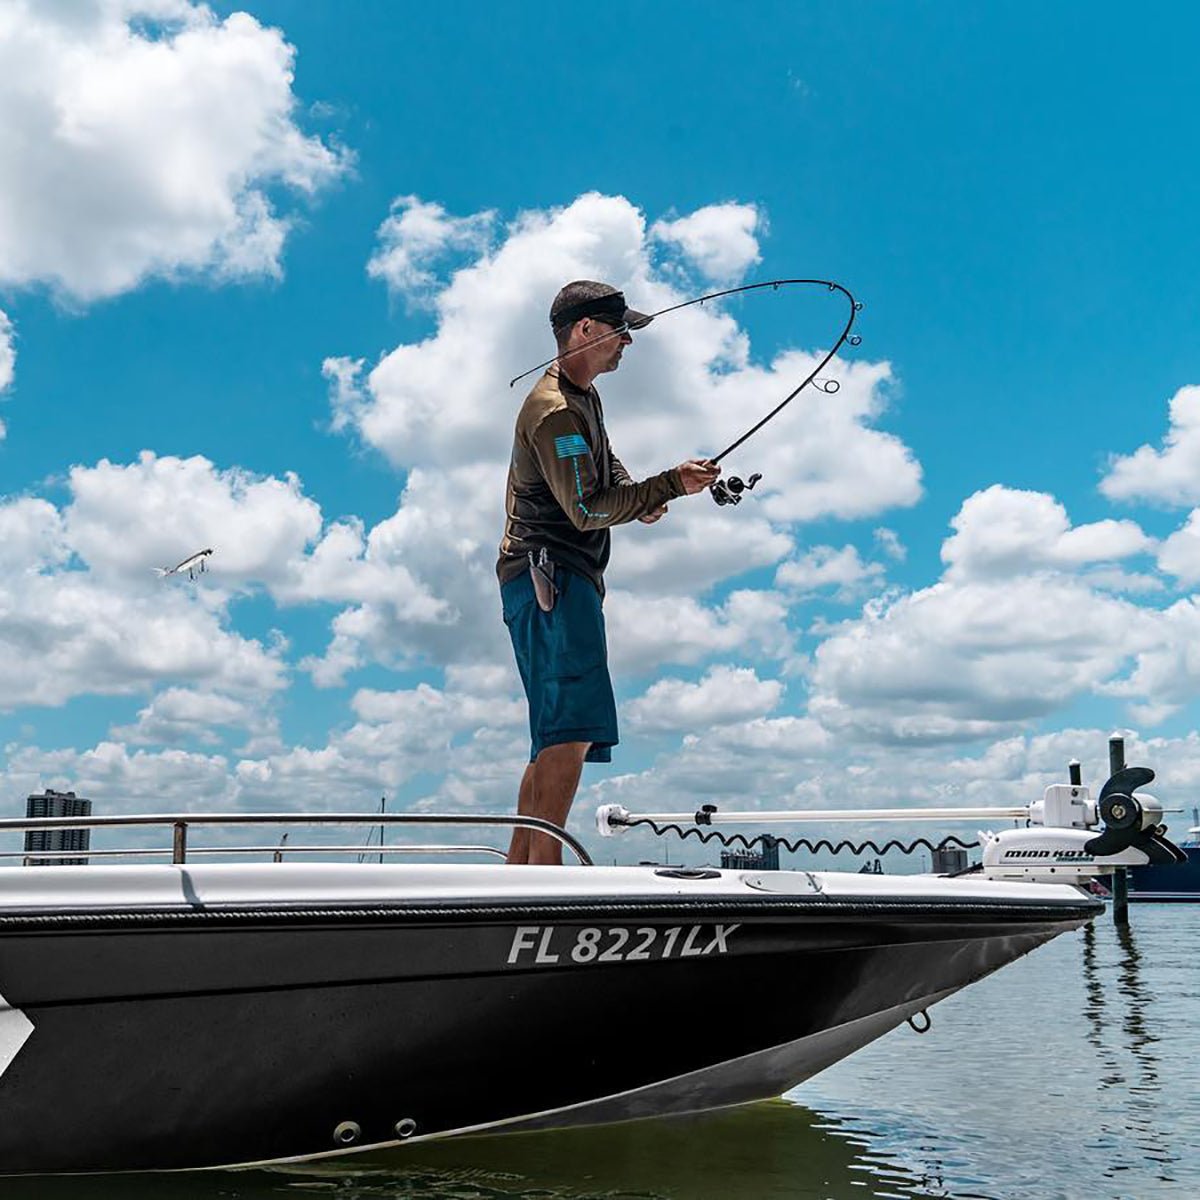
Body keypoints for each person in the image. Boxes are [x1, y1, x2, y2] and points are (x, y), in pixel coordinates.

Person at [497, 280, 721, 864]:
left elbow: (604, 472)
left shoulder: (584, 397)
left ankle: (520, 872)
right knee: (569, 729)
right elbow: (585, 509)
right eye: (620, 330)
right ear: (586, 330)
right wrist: (668, 484)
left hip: (551, 580)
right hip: (551, 579)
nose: (627, 341)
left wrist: (641, 495)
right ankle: (544, 877)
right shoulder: (554, 411)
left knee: (553, 733)